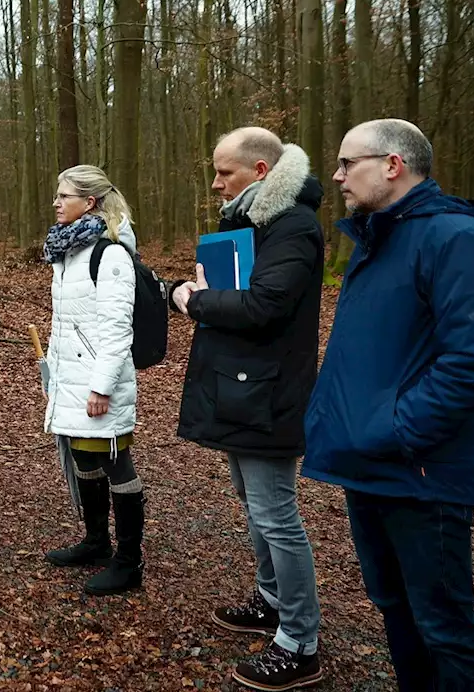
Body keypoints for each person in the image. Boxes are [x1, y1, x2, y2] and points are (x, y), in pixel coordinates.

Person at [302, 119, 474, 692]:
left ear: (392, 165)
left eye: (350, 164)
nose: (339, 177)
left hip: (421, 471)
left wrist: (396, 430)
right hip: (371, 465)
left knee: (444, 624)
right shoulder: (377, 239)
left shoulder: (459, 239)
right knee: (395, 608)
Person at [169, 128, 325, 690]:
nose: (214, 183)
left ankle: (300, 640)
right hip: (243, 386)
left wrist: (194, 299)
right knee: (254, 504)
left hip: (269, 394)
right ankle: (272, 601)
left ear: (260, 172)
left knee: (277, 515)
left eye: (224, 172)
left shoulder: (294, 227)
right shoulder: (255, 222)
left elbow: (265, 303)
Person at [40, 165, 146, 596]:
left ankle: (128, 561)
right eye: (56, 196)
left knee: (115, 463)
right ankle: (97, 542)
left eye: (64, 196)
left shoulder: (112, 253)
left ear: (91, 202)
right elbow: (63, 324)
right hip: (70, 379)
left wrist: (101, 386)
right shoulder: (66, 253)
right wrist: (52, 371)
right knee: (84, 460)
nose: (56, 203)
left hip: (100, 383)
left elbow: (116, 329)